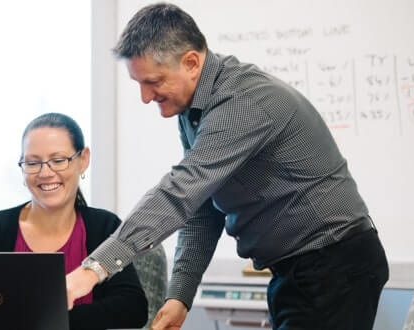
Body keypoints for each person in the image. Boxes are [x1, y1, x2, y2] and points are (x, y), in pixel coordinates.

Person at [67, 3, 389, 330]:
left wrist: (93, 270)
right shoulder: (195, 111)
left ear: (191, 63)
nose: (145, 97)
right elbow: (202, 205)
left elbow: (177, 194)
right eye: (139, 83)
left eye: (153, 82)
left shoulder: (242, 102)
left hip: (333, 267)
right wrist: (180, 295)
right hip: (301, 271)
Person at [0, 112, 148, 330]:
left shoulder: (104, 227)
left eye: (58, 160)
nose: (45, 173)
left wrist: (49, 319)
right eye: (33, 163)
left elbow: (134, 309)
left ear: (83, 159)